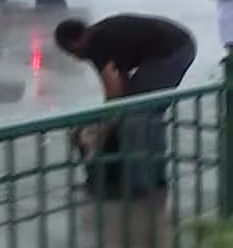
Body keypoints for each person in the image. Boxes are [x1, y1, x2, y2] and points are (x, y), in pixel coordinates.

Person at [55, 15, 196, 198]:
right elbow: (118, 84)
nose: (72, 56)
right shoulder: (96, 37)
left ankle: (137, 186)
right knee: (145, 111)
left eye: (69, 51)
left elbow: (113, 92)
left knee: (135, 115)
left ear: (75, 42)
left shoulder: (94, 45)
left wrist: (101, 133)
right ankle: (153, 179)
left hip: (173, 51)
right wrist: (108, 121)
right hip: (174, 45)